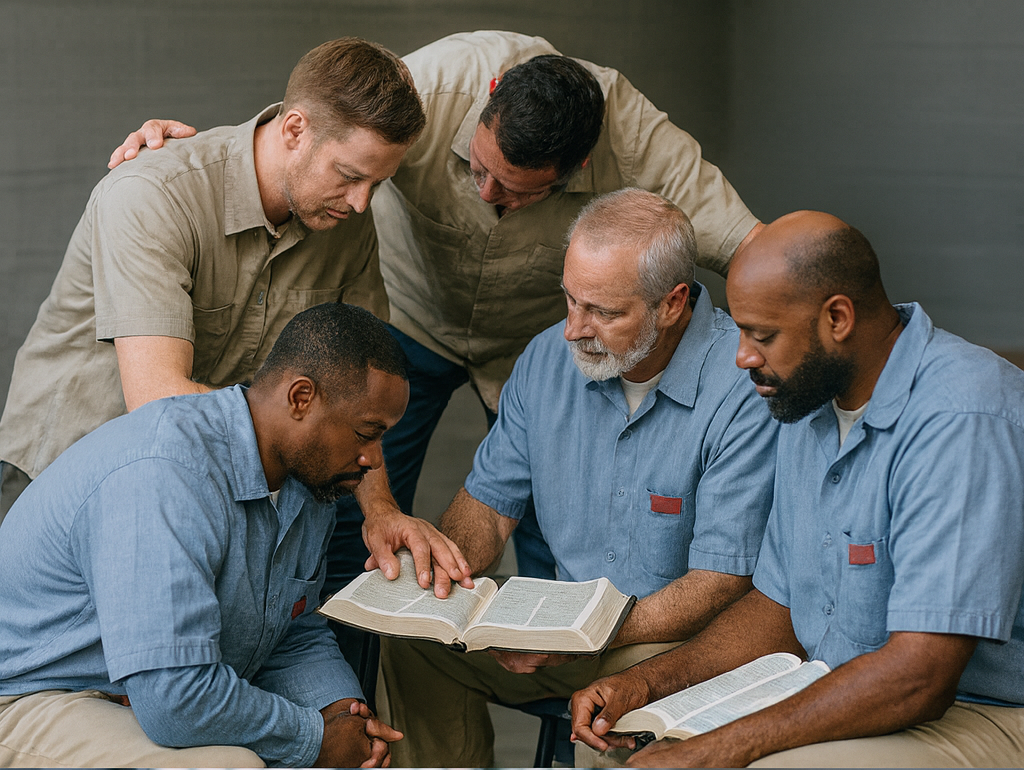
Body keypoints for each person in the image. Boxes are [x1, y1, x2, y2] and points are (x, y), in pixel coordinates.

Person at [108, 29, 765, 587]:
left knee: (551, 533)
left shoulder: (639, 138)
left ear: (579, 167)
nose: (488, 194)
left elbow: (755, 251)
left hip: (529, 348)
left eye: (516, 192)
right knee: (351, 511)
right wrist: (186, 159)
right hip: (407, 318)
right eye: (478, 170)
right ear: (483, 106)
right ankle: (349, 695)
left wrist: (762, 358)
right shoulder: (435, 85)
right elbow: (319, 126)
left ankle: (567, 701)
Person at [570, 211, 1024, 768]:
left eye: (763, 335)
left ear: (838, 318)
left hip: (983, 713)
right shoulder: (806, 401)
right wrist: (645, 685)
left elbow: (920, 677)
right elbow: (777, 606)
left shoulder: (961, 419)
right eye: (739, 330)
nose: (743, 358)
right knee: (615, 740)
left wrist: (721, 749)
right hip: (833, 683)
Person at [373, 189, 778, 767]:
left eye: (602, 312)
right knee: (417, 646)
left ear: (673, 303)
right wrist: (448, 583)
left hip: (672, 644)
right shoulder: (544, 361)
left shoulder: (742, 390)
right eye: (570, 300)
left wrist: (584, 635)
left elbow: (720, 582)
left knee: (609, 710)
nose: (573, 330)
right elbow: (487, 507)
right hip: (565, 633)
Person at [0, 37, 425, 526]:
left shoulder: (346, 223)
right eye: (349, 175)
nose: (361, 203)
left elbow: (359, 391)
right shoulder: (151, 194)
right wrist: (294, 422)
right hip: (65, 468)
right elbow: (159, 400)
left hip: (194, 477)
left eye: (377, 184)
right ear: (294, 130)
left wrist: (381, 511)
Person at [0, 302, 417, 767]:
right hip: (32, 697)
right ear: (301, 398)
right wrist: (314, 738)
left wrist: (342, 713)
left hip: (143, 696)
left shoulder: (307, 484)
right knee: (228, 765)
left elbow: (292, 633)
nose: (374, 459)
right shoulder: (163, 474)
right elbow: (175, 700)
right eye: (366, 433)